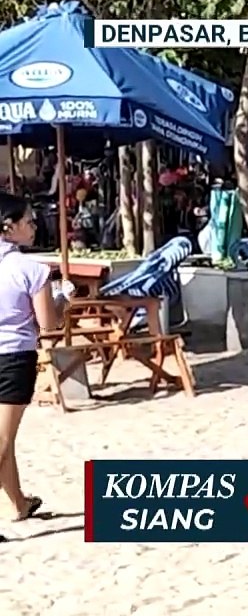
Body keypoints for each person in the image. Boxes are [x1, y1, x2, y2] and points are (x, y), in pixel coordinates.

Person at [0, 192, 73, 536]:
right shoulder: (31, 269)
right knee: (2, 440)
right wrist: (63, 299)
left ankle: (18, 502)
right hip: (14, 357)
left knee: (4, 439)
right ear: (8, 227)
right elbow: (49, 324)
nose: (34, 226)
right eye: (28, 221)